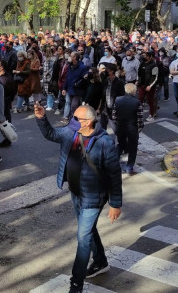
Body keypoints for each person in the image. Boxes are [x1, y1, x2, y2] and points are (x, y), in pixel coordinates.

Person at [34, 102, 122, 293]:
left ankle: (76, 284)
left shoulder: (105, 142)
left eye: (76, 118)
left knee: (83, 238)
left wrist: (115, 203)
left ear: (88, 122)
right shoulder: (71, 132)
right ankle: (100, 262)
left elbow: (115, 175)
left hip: (93, 197)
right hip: (75, 193)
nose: (72, 121)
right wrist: (42, 118)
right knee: (88, 231)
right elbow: (51, 134)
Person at [111, 84, 144, 174]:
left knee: (121, 144)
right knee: (133, 148)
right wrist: (139, 128)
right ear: (134, 91)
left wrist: (117, 124)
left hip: (120, 127)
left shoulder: (118, 100)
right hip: (132, 128)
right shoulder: (137, 102)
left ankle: (114, 161)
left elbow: (114, 116)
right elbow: (140, 119)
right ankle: (129, 167)